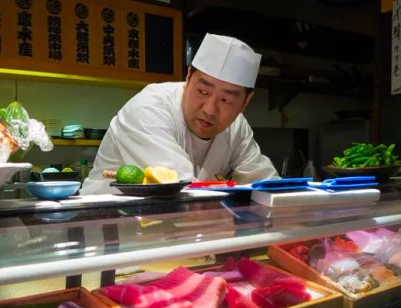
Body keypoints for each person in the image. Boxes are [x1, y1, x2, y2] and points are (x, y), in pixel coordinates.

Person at [80, 33, 279, 194]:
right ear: (188, 76)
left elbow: (267, 184)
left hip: (172, 227)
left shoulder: (237, 126)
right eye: (203, 92)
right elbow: (183, 190)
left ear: (245, 102)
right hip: (110, 229)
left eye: (226, 100)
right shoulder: (148, 109)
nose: (209, 109)